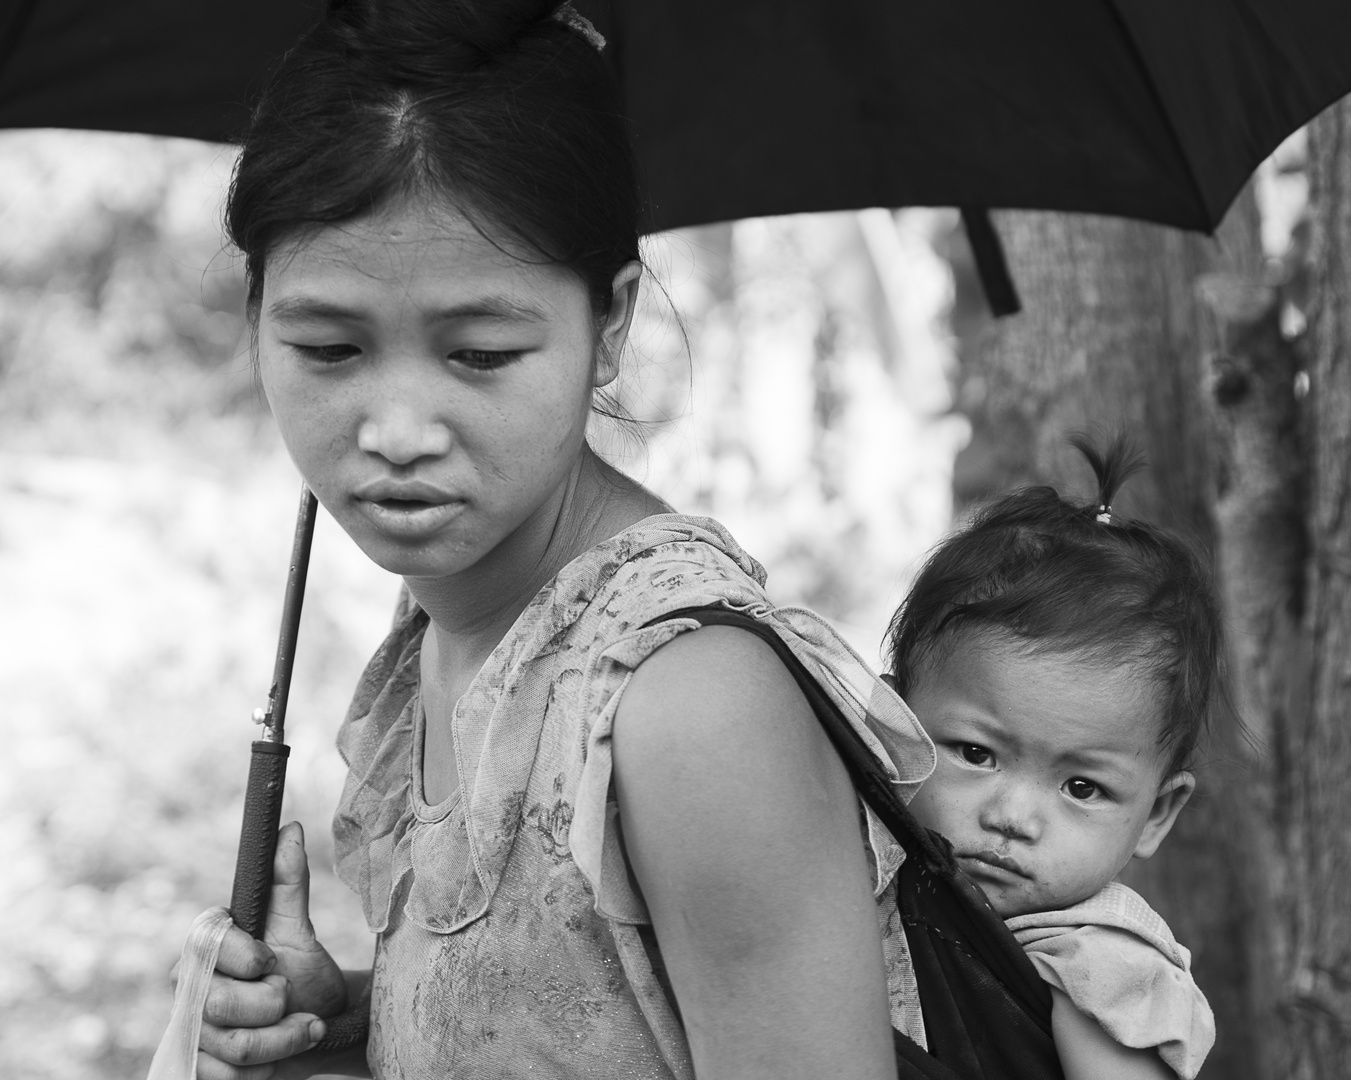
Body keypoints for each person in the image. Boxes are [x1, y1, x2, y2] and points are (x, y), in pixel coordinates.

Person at [191, 1, 936, 1077]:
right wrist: (339, 1025)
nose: (396, 433)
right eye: (327, 347)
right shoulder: (449, 633)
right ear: (255, 314)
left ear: (611, 326)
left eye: (482, 354)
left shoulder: (686, 706)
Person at [882, 435, 1218, 1080]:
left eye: (1082, 788)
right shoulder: (862, 873)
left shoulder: (1102, 961)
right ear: (892, 726)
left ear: (1157, 813)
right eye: (976, 754)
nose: (1012, 817)